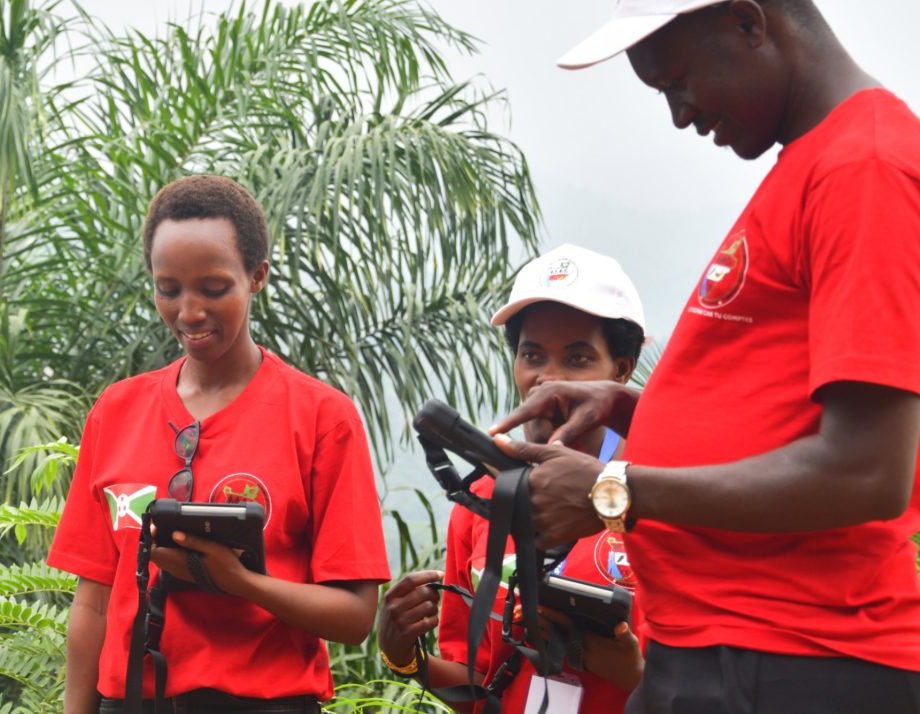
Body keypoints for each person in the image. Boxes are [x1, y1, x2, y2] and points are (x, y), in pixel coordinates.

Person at [490, 2, 920, 713]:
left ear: (750, 23)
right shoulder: (816, 163)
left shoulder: (863, 167)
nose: (680, 115)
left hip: (791, 662)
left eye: (678, 81)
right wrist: (632, 408)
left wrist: (613, 491)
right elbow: (780, 414)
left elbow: (868, 471)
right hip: (721, 657)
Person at [47, 175, 391, 713]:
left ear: (257, 276)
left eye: (212, 289)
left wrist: (238, 582)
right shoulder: (116, 411)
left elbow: (353, 617)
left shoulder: (322, 418)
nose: (189, 312)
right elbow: (93, 603)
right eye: (168, 289)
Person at [379, 244, 646, 712]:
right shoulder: (484, 500)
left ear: (620, 371)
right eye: (532, 355)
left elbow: (720, 681)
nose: (548, 377)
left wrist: (636, 675)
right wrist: (403, 656)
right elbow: (479, 683)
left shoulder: (655, 495)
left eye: (578, 358)